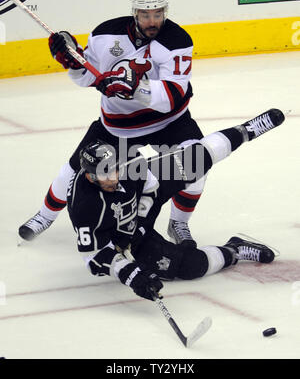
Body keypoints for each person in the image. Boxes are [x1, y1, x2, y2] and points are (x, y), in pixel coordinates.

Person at [18, 0, 208, 246]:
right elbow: (87, 76)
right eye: (145, 14)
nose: (152, 21)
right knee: (72, 172)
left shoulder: (177, 40)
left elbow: (173, 96)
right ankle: (44, 216)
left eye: (157, 14)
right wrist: (72, 61)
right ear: (135, 12)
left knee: (198, 161)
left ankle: (179, 224)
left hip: (170, 122)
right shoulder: (105, 34)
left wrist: (134, 88)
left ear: (165, 11)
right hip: (118, 127)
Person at [64, 108, 284, 301]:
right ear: (90, 177)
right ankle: (234, 250)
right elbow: (94, 256)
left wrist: (142, 218)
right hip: (125, 240)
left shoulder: (126, 162)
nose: (114, 177)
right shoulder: (85, 206)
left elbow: (149, 183)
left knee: (194, 159)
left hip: (141, 205)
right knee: (191, 267)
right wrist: (131, 275)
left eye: (115, 170)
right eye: (105, 175)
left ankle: (246, 130)